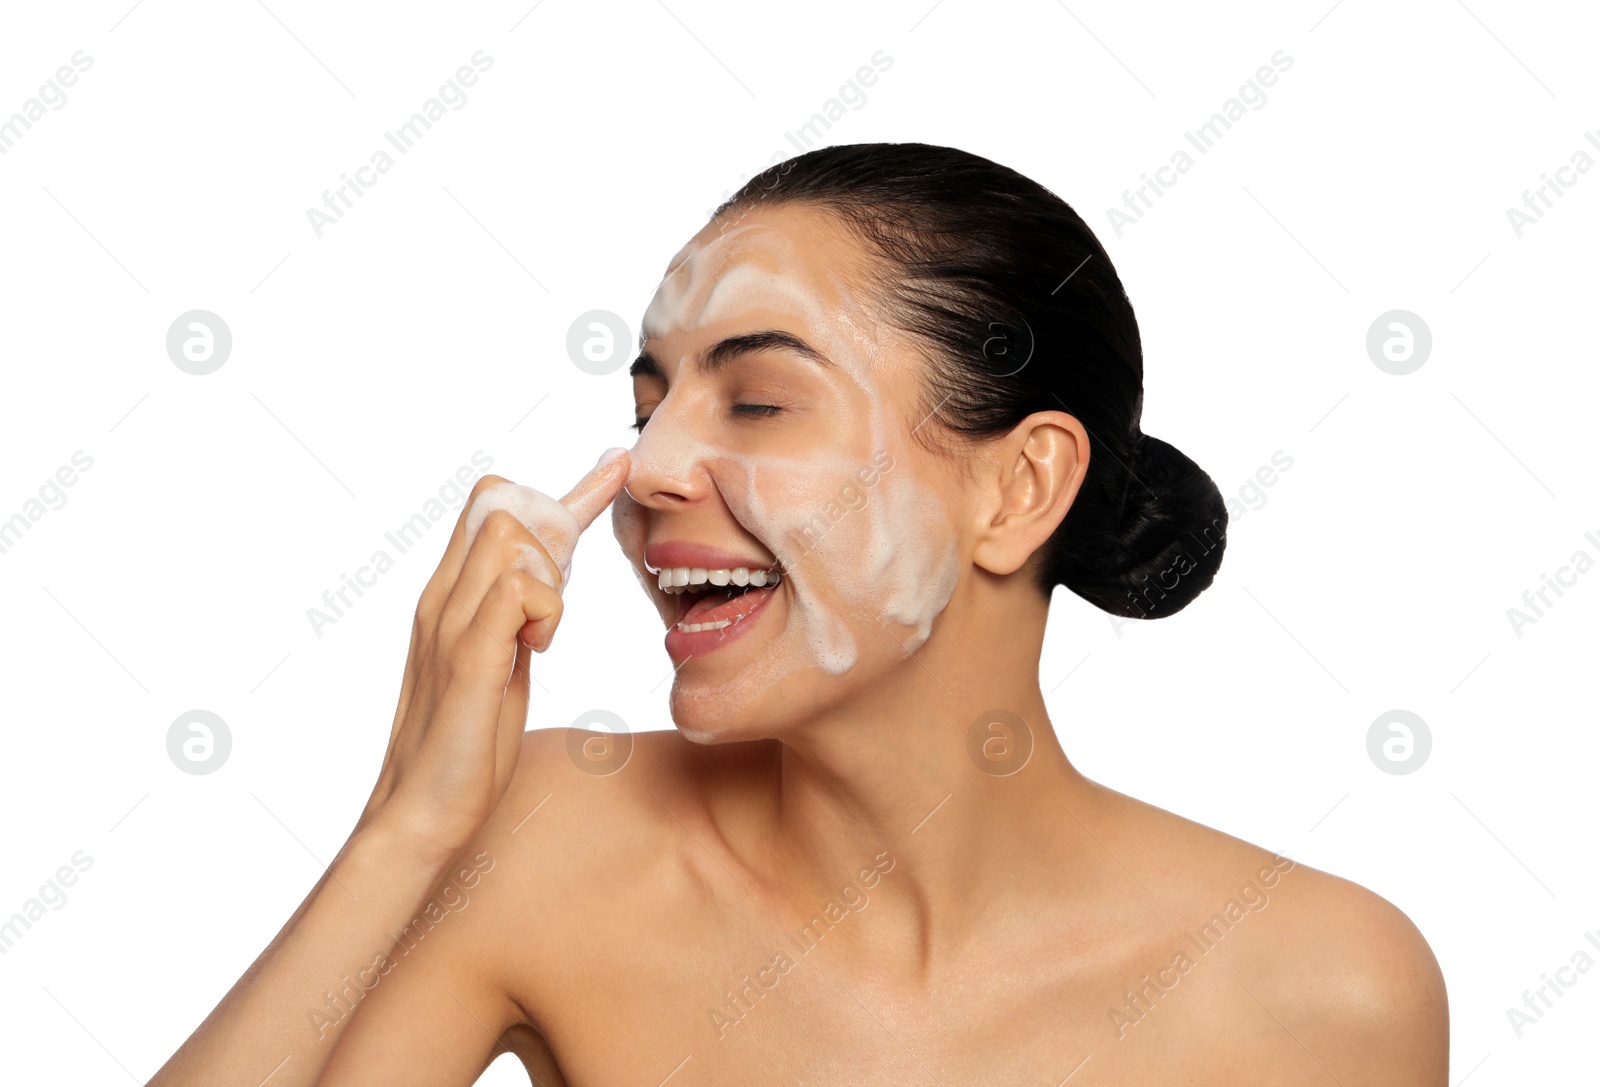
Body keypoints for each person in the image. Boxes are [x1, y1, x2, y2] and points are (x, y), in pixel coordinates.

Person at [151, 143, 1447, 1085]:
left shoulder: (1319, 988)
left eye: (758, 402)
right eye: (646, 405)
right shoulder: (548, 843)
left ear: (1018, 487)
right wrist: (408, 826)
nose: (649, 471)